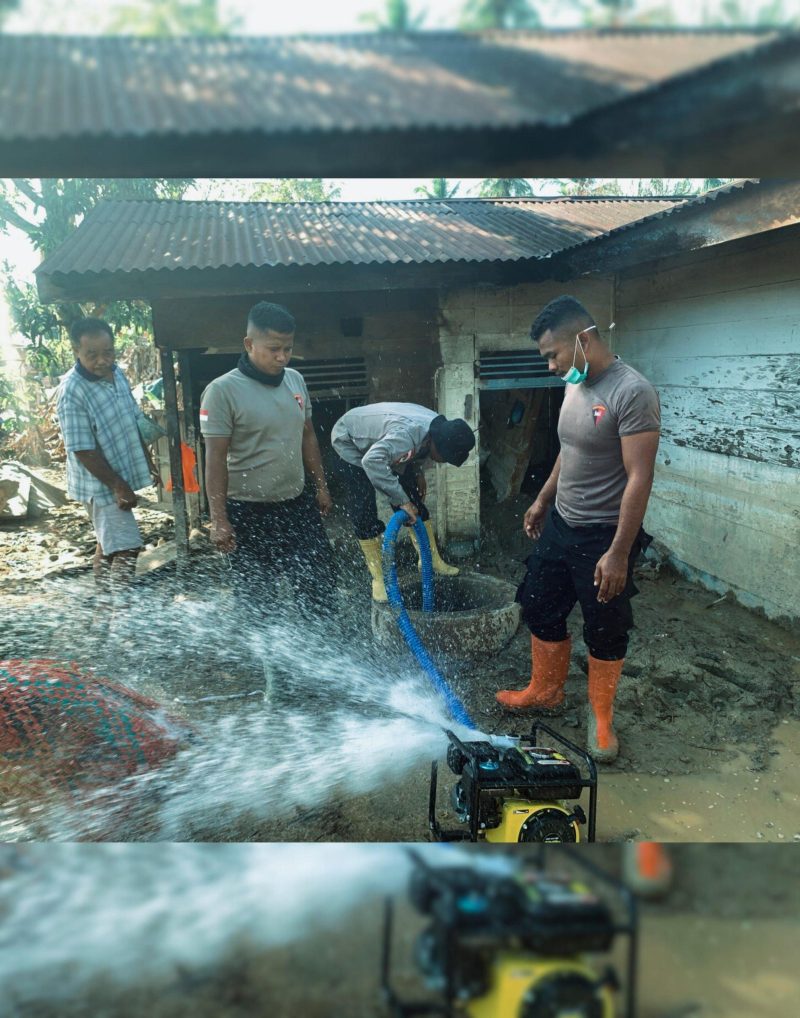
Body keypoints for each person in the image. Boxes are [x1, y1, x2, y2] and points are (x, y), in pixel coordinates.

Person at [496, 295, 660, 764]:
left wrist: (619, 552)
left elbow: (639, 477)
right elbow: (570, 451)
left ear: (583, 340)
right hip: (562, 525)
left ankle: (601, 716)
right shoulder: (575, 384)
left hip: (604, 536)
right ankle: (545, 690)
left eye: (553, 354)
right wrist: (544, 500)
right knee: (540, 604)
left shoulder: (633, 392)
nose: (550, 366)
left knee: (605, 626)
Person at [200, 301, 337, 619]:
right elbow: (215, 458)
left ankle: (316, 650)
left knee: (319, 582)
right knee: (258, 597)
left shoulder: (295, 380)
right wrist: (219, 519)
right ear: (249, 344)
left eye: (288, 348)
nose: (282, 357)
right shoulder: (222, 391)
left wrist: (321, 486)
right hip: (248, 510)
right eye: (274, 348)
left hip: (297, 504)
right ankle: (268, 666)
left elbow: (307, 436)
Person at [55, 317, 159, 611]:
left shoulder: (118, 374)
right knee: (126, 547)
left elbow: (132, 420)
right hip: (100, 482)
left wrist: (147, 460)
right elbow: (82, 449)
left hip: (118, 474)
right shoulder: (72, 390)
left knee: (108, 544)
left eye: (108, 352)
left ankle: (104, 606)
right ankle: (121, 621)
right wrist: (118, 485)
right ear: (76, 351)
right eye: (92, 355)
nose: (102, 361)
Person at [331, 403, 475, 601]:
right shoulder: (406, 437)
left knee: (414, 503)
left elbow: (416, 452)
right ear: (436, 444)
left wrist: (417, 473)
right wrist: (401, 500)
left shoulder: (436, 427)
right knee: (364, 511)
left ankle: (430, 559)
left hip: (385, 443)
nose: (443, 462)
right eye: (443, 457)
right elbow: (371, 461)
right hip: (350, 440)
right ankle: (379, 579)